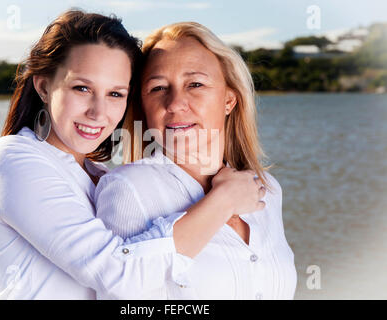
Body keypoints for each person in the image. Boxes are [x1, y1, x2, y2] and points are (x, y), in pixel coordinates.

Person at [0, 11, 266, 299]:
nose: (98, 112)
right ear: (43, 86)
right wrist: (224, 200)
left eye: (115, 94)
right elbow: (119, 274)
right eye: (82, 88)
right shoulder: (13, 159)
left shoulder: (97, 176)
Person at [95, 22, 297, 299]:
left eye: (195, 84)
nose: (175, 103)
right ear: (143, 105)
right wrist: (221, 201)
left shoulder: (267, 189)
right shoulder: (128, 188)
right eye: (158, 88)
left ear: (229, 99)